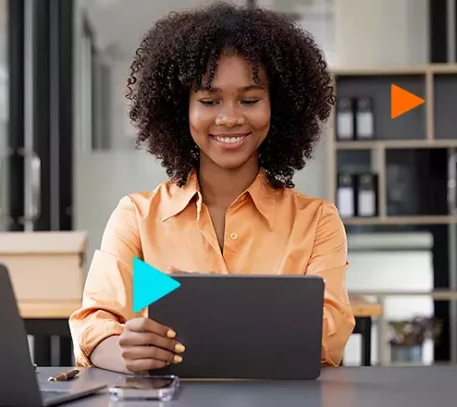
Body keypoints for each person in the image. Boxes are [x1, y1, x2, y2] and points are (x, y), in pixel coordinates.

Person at [69, 2, 355, 375]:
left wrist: (222, 315)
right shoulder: (136, 218)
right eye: (208, 101)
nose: (229, 118)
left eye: (250, 100)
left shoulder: (317, 222)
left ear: (279, 108)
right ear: (181, 110)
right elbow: (93, 323)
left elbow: (328, 334)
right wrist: (123, 352)